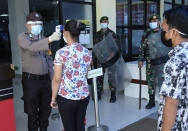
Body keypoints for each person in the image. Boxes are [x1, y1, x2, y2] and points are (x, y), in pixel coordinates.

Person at [17, 12, 61, 131]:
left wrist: (54, 79)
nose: (38, 25)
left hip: (45, 81)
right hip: (31, 82)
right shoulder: (23, 37)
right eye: (34, 23)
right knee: (32, 114)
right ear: (27, 25)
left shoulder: (43, 39)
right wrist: (50, 39)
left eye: (40, 23)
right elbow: (31, 47)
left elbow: (49, 59)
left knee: (45, 112)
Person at [50, 20, 92, 131]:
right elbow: (86, 75)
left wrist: (53, 98)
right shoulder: (87, 52)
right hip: (83, 96)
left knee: (69, 128)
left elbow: (57, 79)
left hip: (66, 98)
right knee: (80, 126)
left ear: (66, 33)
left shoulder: (61, 53)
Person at [158, 6, 188, 131]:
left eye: (165, 30)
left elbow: (171, 103)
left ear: (174, 32)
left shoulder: (176, 61)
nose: (163, 34)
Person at [138, 15, 171, 109]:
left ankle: (163, 102)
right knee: (151, 82)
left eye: (156, 20)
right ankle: (151, 101)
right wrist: (140, 59)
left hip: (162, 63)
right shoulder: (146, 34)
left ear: (159, 22)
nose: (154, 22)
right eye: (152, 21)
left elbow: (171, 47)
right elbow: (142, 47)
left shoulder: (164, 33)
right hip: (150, 63)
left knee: (162, 82)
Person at [94, 16, 118, 103]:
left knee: (111, 77)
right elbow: (95, 47)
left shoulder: (112, 33)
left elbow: (115, 47)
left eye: (105, 21)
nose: (104, 23)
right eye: (102, 21)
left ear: (108, 22)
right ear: (100, 23)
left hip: (110, 59)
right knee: (99, 77)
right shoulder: (97, 34)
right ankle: (99, 93)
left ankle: (113, 95)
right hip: (100, 59)